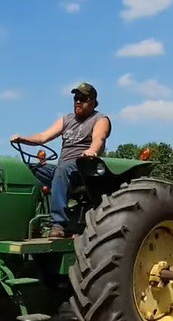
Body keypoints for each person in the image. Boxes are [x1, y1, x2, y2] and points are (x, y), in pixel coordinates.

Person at [9, 82, 111, 238]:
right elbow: (43, 136)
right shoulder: (67, 119)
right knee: (29, 169)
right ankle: (28, 221)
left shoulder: (100, 119)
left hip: (82, 169)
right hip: (62, 169)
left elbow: (99, 138)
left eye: (82, 98)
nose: (78, 101)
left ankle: (58, 224)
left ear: (92, 101)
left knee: (62, 171)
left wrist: (91, 151)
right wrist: (23, 139)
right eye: (76, 98)